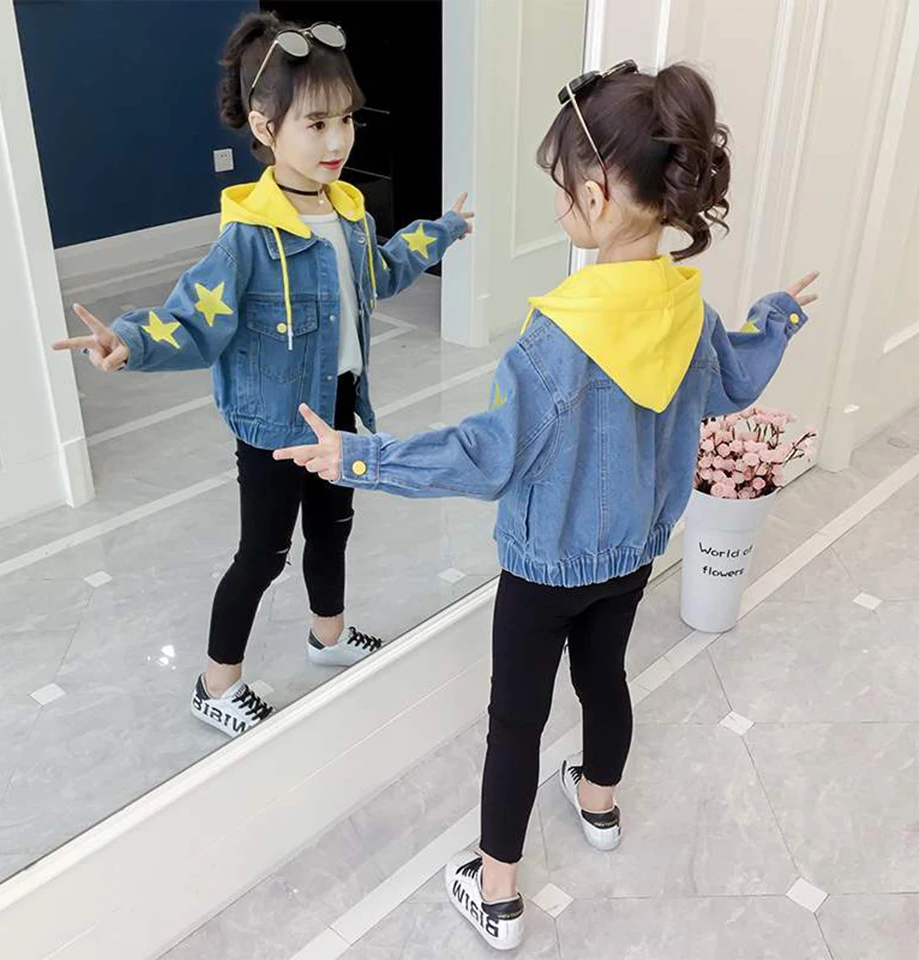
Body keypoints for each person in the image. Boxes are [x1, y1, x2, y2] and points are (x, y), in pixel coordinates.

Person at [275, 61, 818, 950]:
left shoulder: (556, 340)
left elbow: (485, 456)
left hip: (542, 572)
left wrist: (358, 457)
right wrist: (778, 316)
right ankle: (599, 805)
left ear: (596, 195)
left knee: (516, 721)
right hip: (634, 555)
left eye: (563, 187)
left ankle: (496, 892)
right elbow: (733, 384)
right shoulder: (687, 309)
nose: (560, 201)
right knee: (605, 679)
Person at [53, 12, 473, 739]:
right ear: (264, 126)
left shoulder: (349, 214)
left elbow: (379, 273)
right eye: (316, 124)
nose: (338, 141)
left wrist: (439, 232)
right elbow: (193, 318)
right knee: (264, 553)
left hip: (339, 406)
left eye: (346, 119)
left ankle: (328, 635)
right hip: (274, 426)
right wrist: (128, 340)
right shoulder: (248, 237)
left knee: (334, 528)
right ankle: (215, 683)